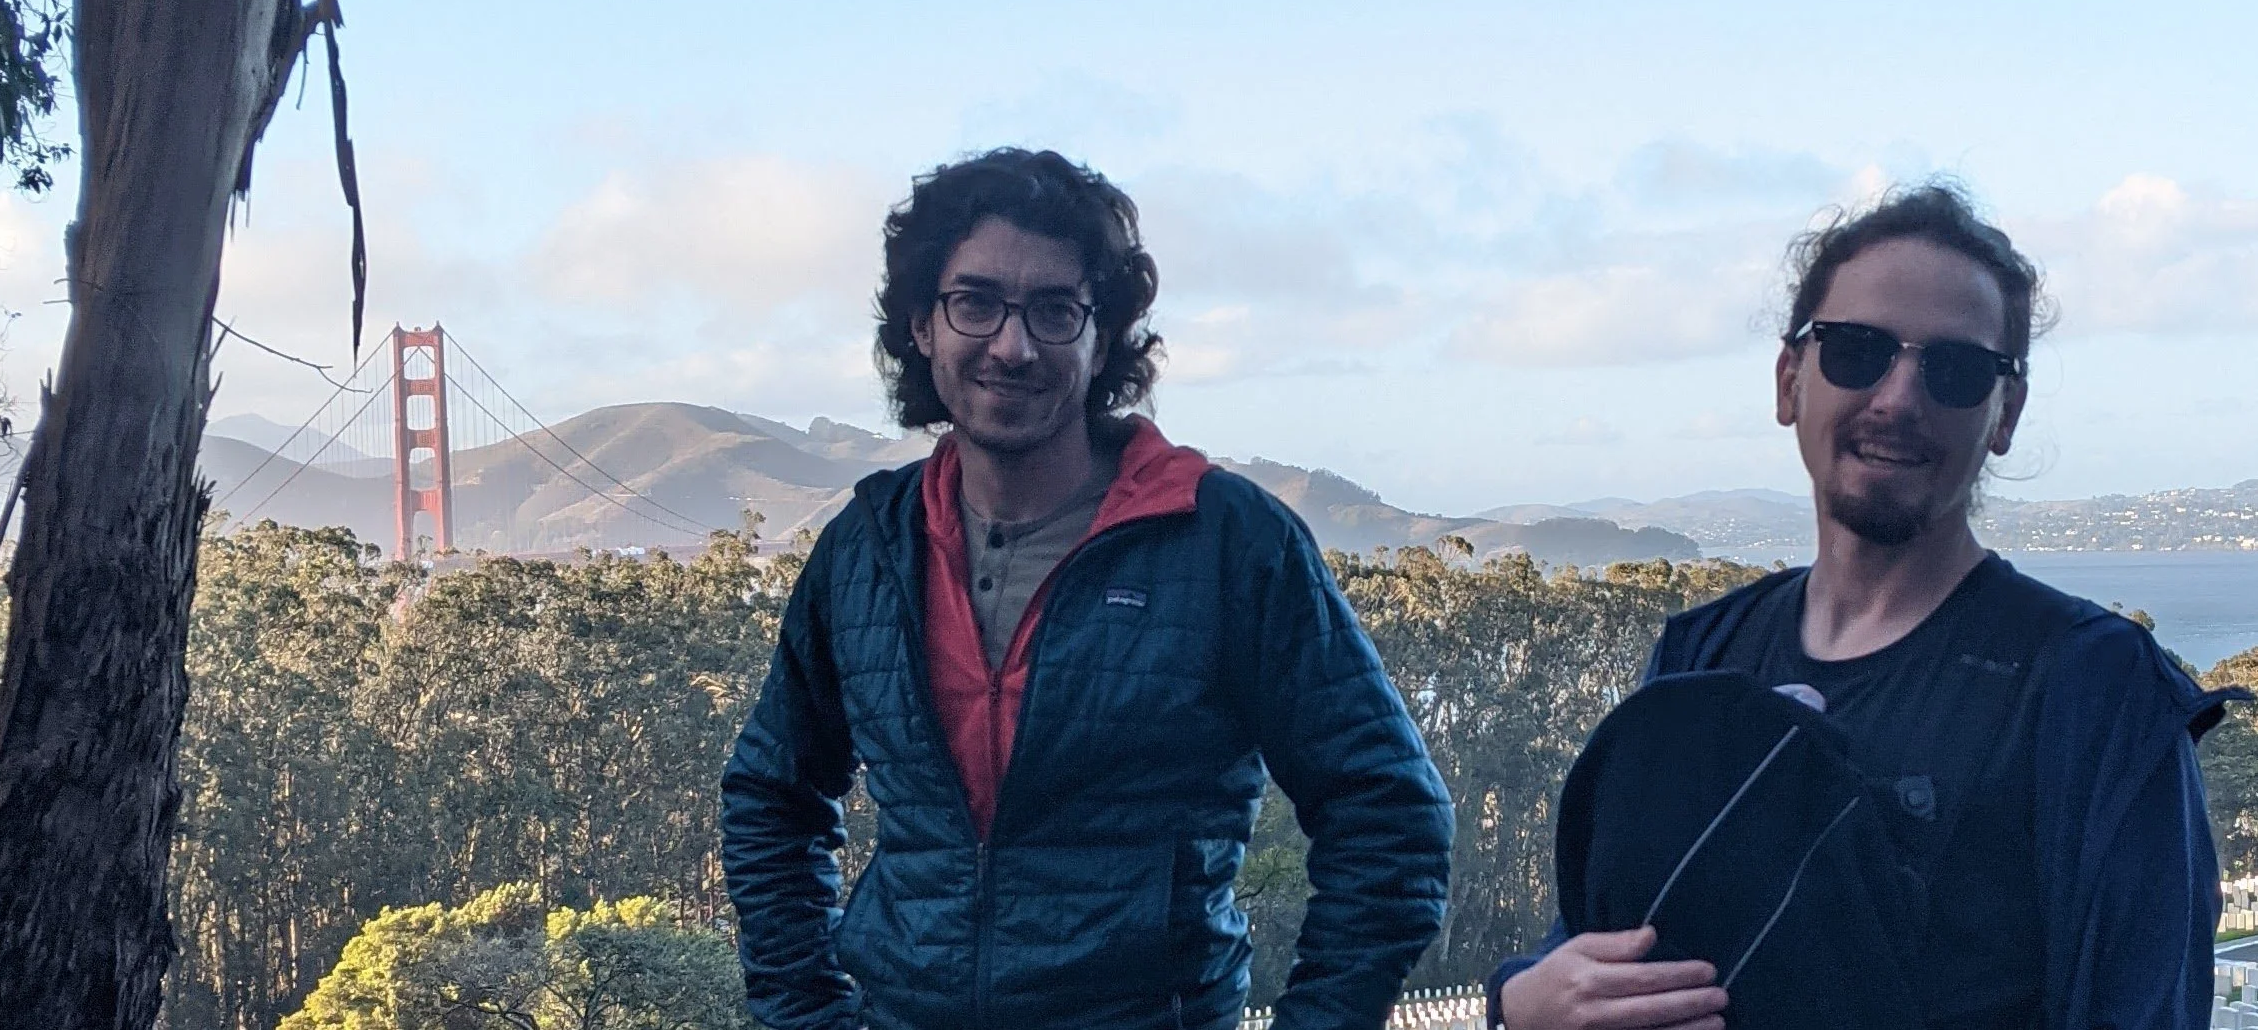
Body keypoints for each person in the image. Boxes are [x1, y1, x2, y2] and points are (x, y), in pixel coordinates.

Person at [721, 148, 1454, 1030]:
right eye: (975, 302)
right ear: (922, 323)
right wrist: (806, 1013)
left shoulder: (1224, 539)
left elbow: (1389, 814)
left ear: (1101, 336)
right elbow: (773, 793)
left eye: (1055, 310)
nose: (1012, 345)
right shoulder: (867, 548)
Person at [1492, 182, 2237, 1030]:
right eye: (1856, 350)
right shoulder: (1702, 656)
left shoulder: (2094, 688)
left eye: (1954, 369)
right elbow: (1603, 939)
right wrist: (1518, 1003)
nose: (1897, 396)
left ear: (2005, 413)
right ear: (1788, 380)